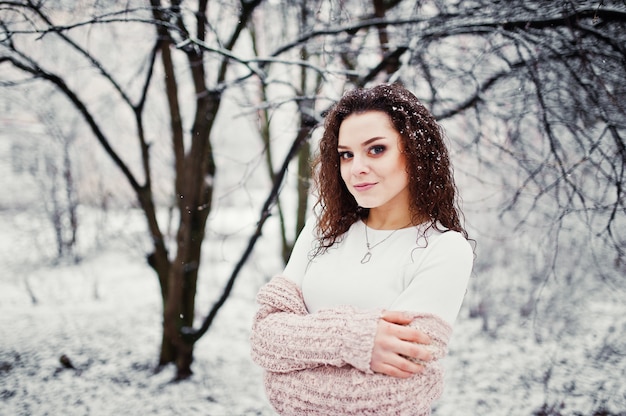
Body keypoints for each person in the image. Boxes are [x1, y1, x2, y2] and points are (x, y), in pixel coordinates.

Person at [250, 83, 473, 415]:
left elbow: (393, 397)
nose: (356, 169)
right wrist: (354, 338)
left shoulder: (445, 249)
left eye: (376, 149)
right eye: (346, 154)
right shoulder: (322, 229)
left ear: (415, 151)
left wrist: (297, 364)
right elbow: (265, 336)